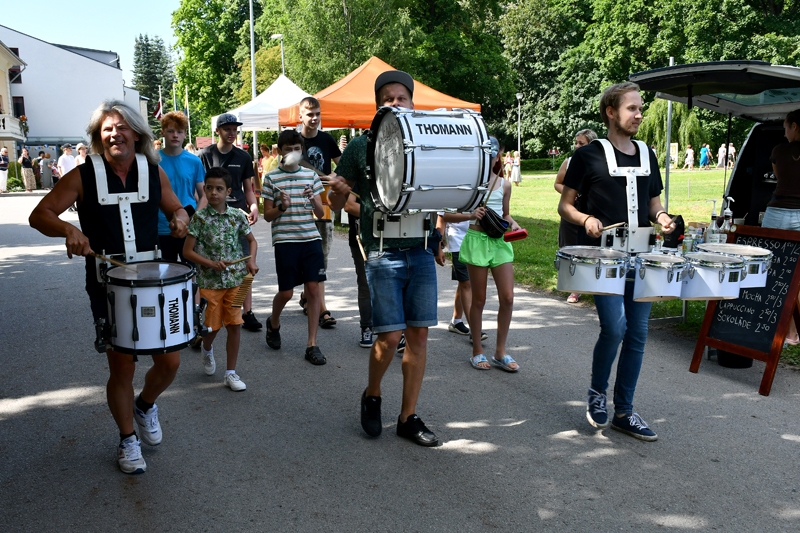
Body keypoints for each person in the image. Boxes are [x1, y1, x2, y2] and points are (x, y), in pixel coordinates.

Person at [29, 99, 191, 474]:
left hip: (152, 280)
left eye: (121, 127)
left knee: (170, 361)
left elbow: (176, 208)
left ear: (136, 133)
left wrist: (181, 217)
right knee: (122, 367)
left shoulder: (153, 171)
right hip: (107, 284)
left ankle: (145, 405)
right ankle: (127, 439)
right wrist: (68, 229)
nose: (114, 134)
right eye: (107, 129)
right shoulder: (82, 175)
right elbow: (40, 214)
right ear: (98, 138)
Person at [558, 82, 675, 442]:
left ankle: (624, 411)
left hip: (642, 256)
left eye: (640, 108)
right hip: (603, 258)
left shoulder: (647, 154)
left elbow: (653, 203)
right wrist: (585, 219)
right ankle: (597, 393)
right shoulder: (587, 156)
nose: (639, 114)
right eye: (632, 108)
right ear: (611, 112)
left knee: (637, 334)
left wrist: (663, 217)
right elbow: (565, 205)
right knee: (615, 327)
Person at [328, 70, 440, 447]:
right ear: (378, 106)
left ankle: (407, 417)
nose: (395, 103)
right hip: (380, 251)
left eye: (401, 97)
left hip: (420, 249)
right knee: (390, 336)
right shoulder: (361, 147)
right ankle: (372, 393)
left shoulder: (426, 144)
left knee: (418, 334)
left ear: (412, 103)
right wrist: (338, 191)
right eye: (387, 99)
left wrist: (440, 234)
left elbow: (437, 194)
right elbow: (334, 205)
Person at [183, 167, 258, 390]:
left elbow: (252, 241)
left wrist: (251, 261)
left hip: (238, 281)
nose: (214, 193)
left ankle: (231, 373)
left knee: (235, 325)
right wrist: (210, 264)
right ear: (204, 190)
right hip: (210, 282)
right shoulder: (199, 219)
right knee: (212, 327)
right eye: (209, 188)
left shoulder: (237, 215)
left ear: (228, 192)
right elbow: (187, 252)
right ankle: (207, 349)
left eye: (219, 189)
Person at [262, 129, 328, 365]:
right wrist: (282, 207)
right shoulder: (271, 178)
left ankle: (312, 344)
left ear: (302, 151)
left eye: (296, 148)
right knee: (287, 292)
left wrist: (313, 199)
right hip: (285, 241)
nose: (292, 152)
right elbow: (267, 216)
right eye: (288, 149)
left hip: (310, 239)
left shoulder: (310, 176)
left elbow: (320, 213)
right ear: (280, 151)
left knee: (313, 289)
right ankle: (274, 322)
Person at [460, 137, 522, 372]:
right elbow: (448, 214)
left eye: (494, 154)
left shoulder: (504, 184)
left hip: (499, 242)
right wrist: (470, 215)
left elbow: (505, 214)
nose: (490, 158)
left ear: (498, 156)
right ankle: (477, 350)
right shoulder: (470, 184)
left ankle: (500, 352)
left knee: (508, 297)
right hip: (477, 241)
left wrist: (513, 224)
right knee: (479, 299)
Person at [198, 114, 261, 331]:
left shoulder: (243, 156)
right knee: (211, 264)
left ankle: (246, 310)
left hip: (238, 215)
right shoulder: (205, 155)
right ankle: (209, 313)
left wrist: (254, 207)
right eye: (227, 129)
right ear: (218, 131)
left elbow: (248, 189)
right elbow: (202, 190)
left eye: (234, 129)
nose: (232, 133)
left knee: (246, 263)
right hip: (213, 216)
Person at [297, 96, 342, 329]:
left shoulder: (327, 139)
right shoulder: (294, 141)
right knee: (306, 257)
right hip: (298, 208)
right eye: (309, 114)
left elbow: (343, 167)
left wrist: (332, 177)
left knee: (321, 257)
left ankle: (318, 305)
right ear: (300, 116)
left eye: (317, 114)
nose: (314, 118)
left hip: (323, 206)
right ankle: (312, 300)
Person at [761, 109, 800, 344]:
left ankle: (778, 329)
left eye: (786, 127)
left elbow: (780, 179)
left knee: (772, 271)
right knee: (796, 276)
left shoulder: (778, 151)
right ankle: (793, 332)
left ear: (794, 126)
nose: (784, 133)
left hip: (777, 212)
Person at [554, 129, 598, 304]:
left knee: (591, 247)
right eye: (576, 143)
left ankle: (594, 283)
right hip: (572, 209)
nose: (577, 146)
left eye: (582, 143)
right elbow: (558, 183)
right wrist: (571, 195)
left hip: (592, 210)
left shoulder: (599, 162)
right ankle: (574, 288)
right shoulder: (569, 162)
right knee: (569, 245)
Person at [157, 111, 205, 263]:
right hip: (160, 227)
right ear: (163, 133)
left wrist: (196, 218)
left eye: (179, 131)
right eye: (170, 131)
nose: (175, 135)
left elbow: (204, 194)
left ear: (185, 134)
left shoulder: (194, 161)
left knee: (192, 272)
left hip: (188, 227)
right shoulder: (152, 160)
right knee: (164, 274)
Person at [344, 189, 374, 347]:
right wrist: (379, 214)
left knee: (392, 284)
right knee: (365, 284)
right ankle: (366, 327)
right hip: (361, 239)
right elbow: (349, 206)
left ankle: (396, 331)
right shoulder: (358, 178)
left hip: (388, 239)